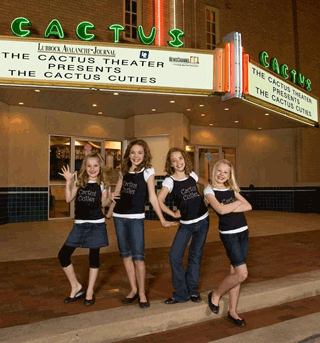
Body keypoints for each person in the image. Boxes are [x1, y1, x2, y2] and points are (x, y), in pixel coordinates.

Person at [106, 139, 177, 308]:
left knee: (138, 257)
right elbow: (117, 193)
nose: (136, 156)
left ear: (145, 154)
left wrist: (162, 219)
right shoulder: (123, 170)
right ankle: (133, 290)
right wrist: (109, 211)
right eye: (132, 152)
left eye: (139, 153)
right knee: (126, 255)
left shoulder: (148, 171)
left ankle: (142, 293)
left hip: (136, 217)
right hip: (118, 216)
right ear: (128, 154)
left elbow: (152, 197)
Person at [58, 152, 112, 306]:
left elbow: (104, 204)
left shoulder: (102, 184)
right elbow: (68, 198)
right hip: (80, 224)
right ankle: (76, 285)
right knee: (63, 255)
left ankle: (89, 291)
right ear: (85, 167)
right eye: (89, 166)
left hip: (96, 224)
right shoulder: (79, 181)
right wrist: (68, 181)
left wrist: (109, 196)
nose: (92, 169)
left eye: (95, 166)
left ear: (100, 167)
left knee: (93, 257)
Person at [157, 147, 209, 304]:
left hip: (203, 221)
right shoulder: (169, 181)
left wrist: (206, 200)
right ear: (171, 164)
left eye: (180, 158)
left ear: (185, 159)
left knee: (195, 255)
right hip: (186, 224)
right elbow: (159, 200)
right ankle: (181, 293)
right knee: (174, 255)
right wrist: (172, 214)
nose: (178, 162)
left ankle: (192, 290)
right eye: (174, 160)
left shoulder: (192, 175)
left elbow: (206, 183)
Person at [204, 159, 252, 326]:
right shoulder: (209, 190)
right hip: (229, 235)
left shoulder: (231, 189)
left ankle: (232, 311)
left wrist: (233, 205)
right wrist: (237, 203)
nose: (221, 175)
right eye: (219, 171)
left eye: (225, 172)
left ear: (229, 175)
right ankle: (216, 295)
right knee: (242, 274)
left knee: (235, 273)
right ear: (214, 171)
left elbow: (249, 206)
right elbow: (221, 210)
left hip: (243, 232)